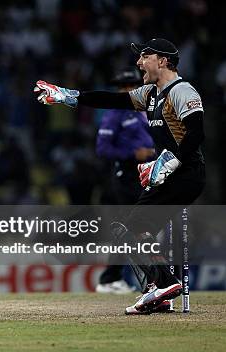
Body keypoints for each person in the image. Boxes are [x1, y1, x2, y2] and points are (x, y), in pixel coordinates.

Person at [34, 38, 205, 314]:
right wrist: (68, 95)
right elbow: (111, 99)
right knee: (132, 229)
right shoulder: (151, 93)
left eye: (144, 57)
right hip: (169, 175)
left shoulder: (182, 90)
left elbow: (197, 133)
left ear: (162, 61)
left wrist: (169, 161)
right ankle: (160, 288)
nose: (139, 63)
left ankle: (162, 284)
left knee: (130, 228)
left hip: (186, 174)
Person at [95, 68, 155, 294]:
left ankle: (113, 277)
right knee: (133, 225)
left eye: (132, 86)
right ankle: (111, 278)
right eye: (124, 87)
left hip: (146, 172)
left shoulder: (144, 110)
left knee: (136, 226)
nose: (128, 90)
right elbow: (102, 149)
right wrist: (133, 154)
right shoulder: (114, 114)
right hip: (127, 175)